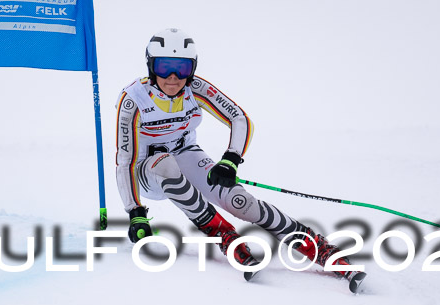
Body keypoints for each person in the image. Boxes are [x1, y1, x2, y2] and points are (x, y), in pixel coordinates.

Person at [115, 27, 357, 283]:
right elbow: (125, 162)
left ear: (193, 69)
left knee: (241, 202)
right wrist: (135, 211)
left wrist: (230, 161)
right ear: (151, 67)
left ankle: (317, 247)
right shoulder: (134, 100)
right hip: (147, 171)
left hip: (185, 153)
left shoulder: (195, 88)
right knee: (165, 164)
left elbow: (239, 119)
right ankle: (222, 233)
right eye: (164, 67)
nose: (173, 77)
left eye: (183, 68)